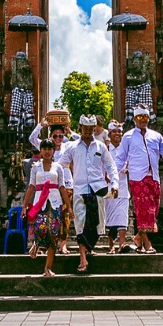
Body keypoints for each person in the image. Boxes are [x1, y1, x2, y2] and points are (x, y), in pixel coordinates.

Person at [115, 106, 163, 254]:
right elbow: (120, 158)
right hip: (138, 179)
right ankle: (148, 244)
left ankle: (138, 239)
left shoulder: (156, 136)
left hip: (154, 178)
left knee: (153, 211)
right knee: (143, 211)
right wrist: (113, 174)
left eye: (145, 117)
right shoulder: (128, 136)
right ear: (134, 119)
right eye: (140, 117)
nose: (143, 120)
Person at [56, 114, 113, 272]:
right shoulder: (72, 147)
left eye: (90, 128)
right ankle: (82, 258)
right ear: (80, 128)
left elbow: (110, 165)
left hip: (97, 189)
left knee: (95, 224)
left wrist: (114, 184)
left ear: (94, 128)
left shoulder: (101, 146)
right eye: (85, 128)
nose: (88, 131)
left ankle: (88, 248)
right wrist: (46, 170)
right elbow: (60, 165)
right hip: (80, 190)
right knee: (80, 223)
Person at [24, 137, 67, 276]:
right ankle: (36, 243)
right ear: (41, 150)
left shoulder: (58, 167)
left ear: (53, 150)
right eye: (44, 149)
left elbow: (62, 187)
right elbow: (31, 186)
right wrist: (24, 205)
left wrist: (69, 207)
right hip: (40, 202)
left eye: (49, 149)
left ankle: (48, 267)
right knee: (41, 227)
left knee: (53, 234)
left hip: (55, 202)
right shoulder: (35, 167)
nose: (47, 151)